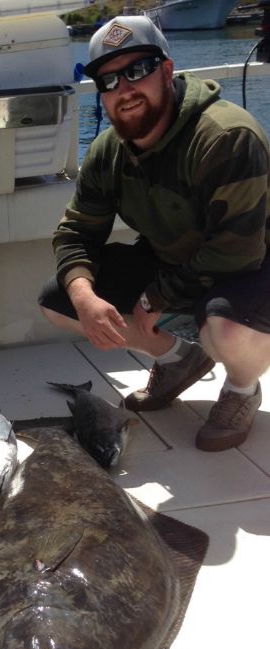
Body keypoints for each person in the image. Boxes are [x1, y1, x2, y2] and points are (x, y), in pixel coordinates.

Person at [39, 16, 270, 452]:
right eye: (108, 80)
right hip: (177, 263)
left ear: (167, 70)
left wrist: (155, 296)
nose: (124, 89)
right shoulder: (109, 152)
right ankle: (179, 360)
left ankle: (242, 388)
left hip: (256, 264)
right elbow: (76, 233)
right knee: (60, 300)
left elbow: (235, 252)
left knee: (224, 329)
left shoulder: (224, 137)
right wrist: (84, 296)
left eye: (138, 70)